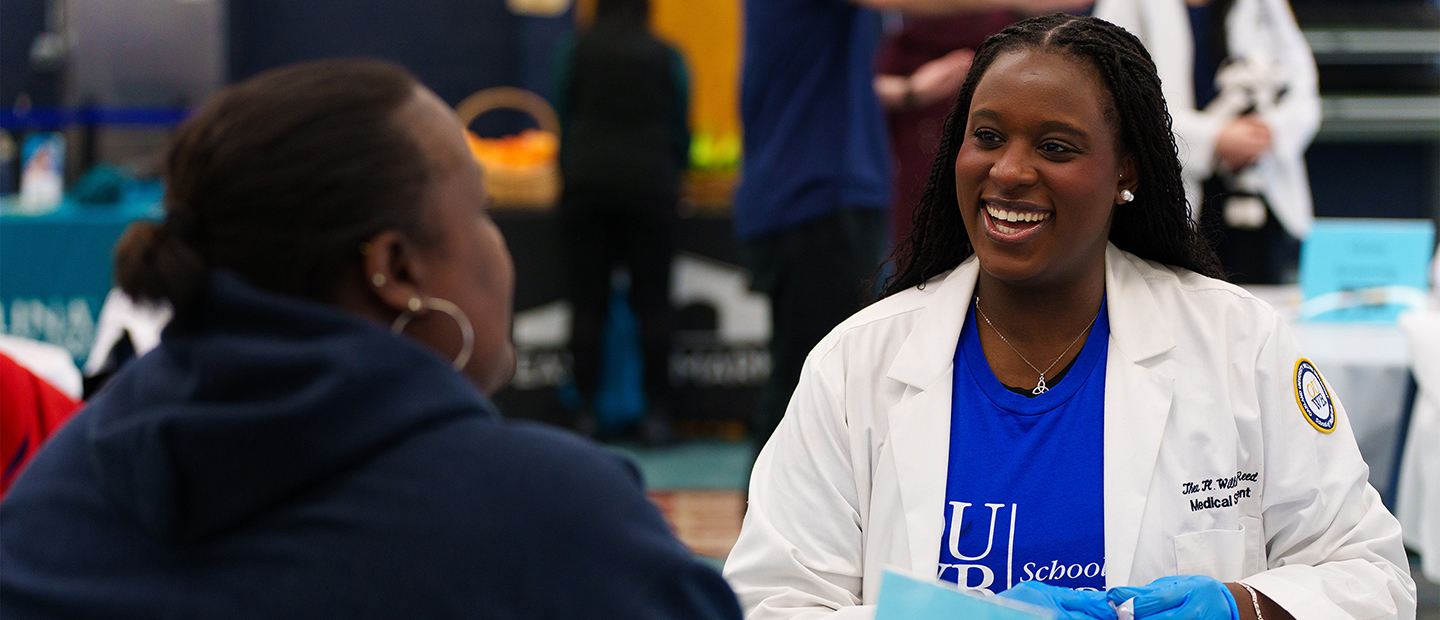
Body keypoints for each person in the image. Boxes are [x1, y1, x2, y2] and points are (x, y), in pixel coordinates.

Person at [723, 14, 1415, 620]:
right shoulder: (857, 365)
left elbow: (1372, 577)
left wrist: (1243, 607)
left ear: (1127, 174)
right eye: (986, 136)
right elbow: (769, 602)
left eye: (1056, 147)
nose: (1009, 171)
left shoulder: (1238, 343)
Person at [0, 59, 742, 620]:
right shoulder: (563, 526)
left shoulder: (51, 500)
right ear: (393, 266)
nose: (499, 248)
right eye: (480, 211)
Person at [736, 0, 1091, 456]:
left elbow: (826, 81)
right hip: (813, 201)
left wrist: (907, 91)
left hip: (818, 197)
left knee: (820, 382)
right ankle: (776, 520)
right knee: (811, 390)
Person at [1093, 0, 1320, 283]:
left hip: (1261, 199)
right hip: (1174, 197)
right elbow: (1114, 99)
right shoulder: (1128, 5)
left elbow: (1304, 90)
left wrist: (1269, 130)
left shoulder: (1265, 5)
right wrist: (1215, 138)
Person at [552, 0, 689, 444]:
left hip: (587, 185)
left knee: (587, 304)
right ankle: (657, 416)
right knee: (653, 303)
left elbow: (562, 113)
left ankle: (586, 413)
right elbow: (680, 125)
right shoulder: (666, 54)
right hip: (651, 186)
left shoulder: (575, 51)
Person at [873, 11, 1017, 246]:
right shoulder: (908, 42)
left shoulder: (1009, 36)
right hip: (919, 184)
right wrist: (912, 90)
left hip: (954, 186)